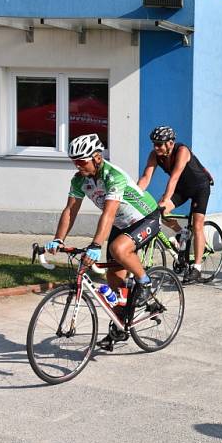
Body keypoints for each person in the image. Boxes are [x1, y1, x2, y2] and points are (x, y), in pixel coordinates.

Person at [45, 134, 161, 350]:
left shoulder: (113, 176)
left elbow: (108, 214)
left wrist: (96, 245)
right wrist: (58, 239)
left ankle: (145, 282)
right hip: (122, 223)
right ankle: (119, 327)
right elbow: (70, 210)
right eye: (74, 162)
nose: (77, 166)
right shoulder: (79, 180)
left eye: (81, 161)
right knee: (114, 281)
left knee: (118, 249)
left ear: (96, 158)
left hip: (146, 218)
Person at [137, 125, 213, 284]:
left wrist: (165, 199)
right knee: (158, 212)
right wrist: (135, 195)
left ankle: (197, 269)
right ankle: (181, 232)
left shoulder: (182, 151)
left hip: (200, 188)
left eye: (159, 144)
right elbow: (146, 177)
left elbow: (174, 177)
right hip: (182, 190)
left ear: (170, 143)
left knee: (197, 225)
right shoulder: (154, 155)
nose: (156, 147)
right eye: (154, 144)